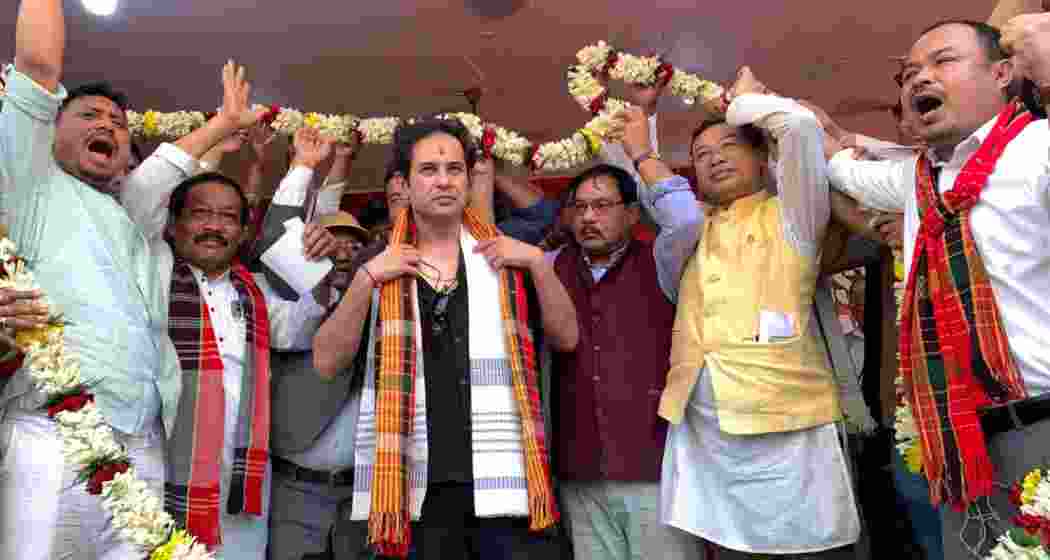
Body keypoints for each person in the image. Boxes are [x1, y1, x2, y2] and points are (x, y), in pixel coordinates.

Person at [827, 18, 1050, 558]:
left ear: (1002, 73)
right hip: (953, 443)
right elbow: (839, 170)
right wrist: (809, 129)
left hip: (1042, 425)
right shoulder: (920, 179)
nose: (918, 78)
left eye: (942, 61)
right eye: (908, 72)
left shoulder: (1039, 151)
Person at [616, 67, 860, 559]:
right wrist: (643, 115)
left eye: (729, 145)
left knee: (814, 550)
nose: (714, 160)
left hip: (790, 435)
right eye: (701, 155)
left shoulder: (793, 215)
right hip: (710, 438)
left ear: (762, 156)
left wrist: (746, 102)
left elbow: (800, 130)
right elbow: (646, 189)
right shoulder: (687, 230)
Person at [313, 116, 578, 559]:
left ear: (470, 179)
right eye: (429, 170)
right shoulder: (378, 260)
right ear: (405, 182)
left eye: (455, 169)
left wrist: (537, 262)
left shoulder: (507, 255)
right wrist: (363, 283)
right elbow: (324, 362)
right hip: (412, 488)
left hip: (505, 485)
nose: (443, 181)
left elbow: (567, 338)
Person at [0, 1, 188, 557]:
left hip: (144, 444)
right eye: (89, 116)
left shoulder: (128, 217)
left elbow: (169, 167)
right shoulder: (33, 184)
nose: (107, 124)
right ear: (48, 130)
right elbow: (37, 63)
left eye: (119, 122)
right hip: (55, 437)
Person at [547, 163, 705, 560]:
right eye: (579, 207)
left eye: (602, 206)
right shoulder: (549, 267)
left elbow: (688, 219)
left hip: (657, 470)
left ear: (632, 214)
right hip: (579, 473)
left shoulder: (662, 261)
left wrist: (641, 151)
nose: (588, 218)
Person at [256, 129, 372, 560]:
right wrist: (304, 165)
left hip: (364, 492)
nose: (342, 250)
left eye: (353, 244)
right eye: (331, 240)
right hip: (296, 489)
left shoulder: (383, 302)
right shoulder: (299, 298)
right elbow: (280, 238)